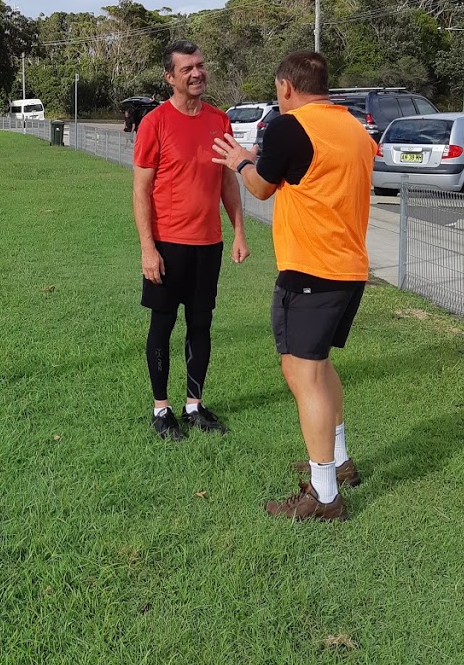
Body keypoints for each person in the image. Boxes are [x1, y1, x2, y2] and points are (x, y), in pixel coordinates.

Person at [212, 51, 375, 521]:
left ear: (286, 87)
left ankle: (324, 496)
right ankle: (338, 462)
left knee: (302, 376)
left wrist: (241, 161)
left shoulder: (289, 126)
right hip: (348, 269)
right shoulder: (355, 130)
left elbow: (263, 187)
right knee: (316, 369)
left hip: (310, 271)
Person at [133, 41, 250, 440]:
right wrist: (148, 248)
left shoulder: (220, 121)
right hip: (168, 244)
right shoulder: (155, 123)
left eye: (201, 65)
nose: (198, 73)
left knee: (201, 324)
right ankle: (162, 409)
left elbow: (227, 181)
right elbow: (141, 190)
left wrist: (238, 231)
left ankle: (194, 405)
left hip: (208, 244)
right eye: (187, 69)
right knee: (162, 326)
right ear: (170, 77)